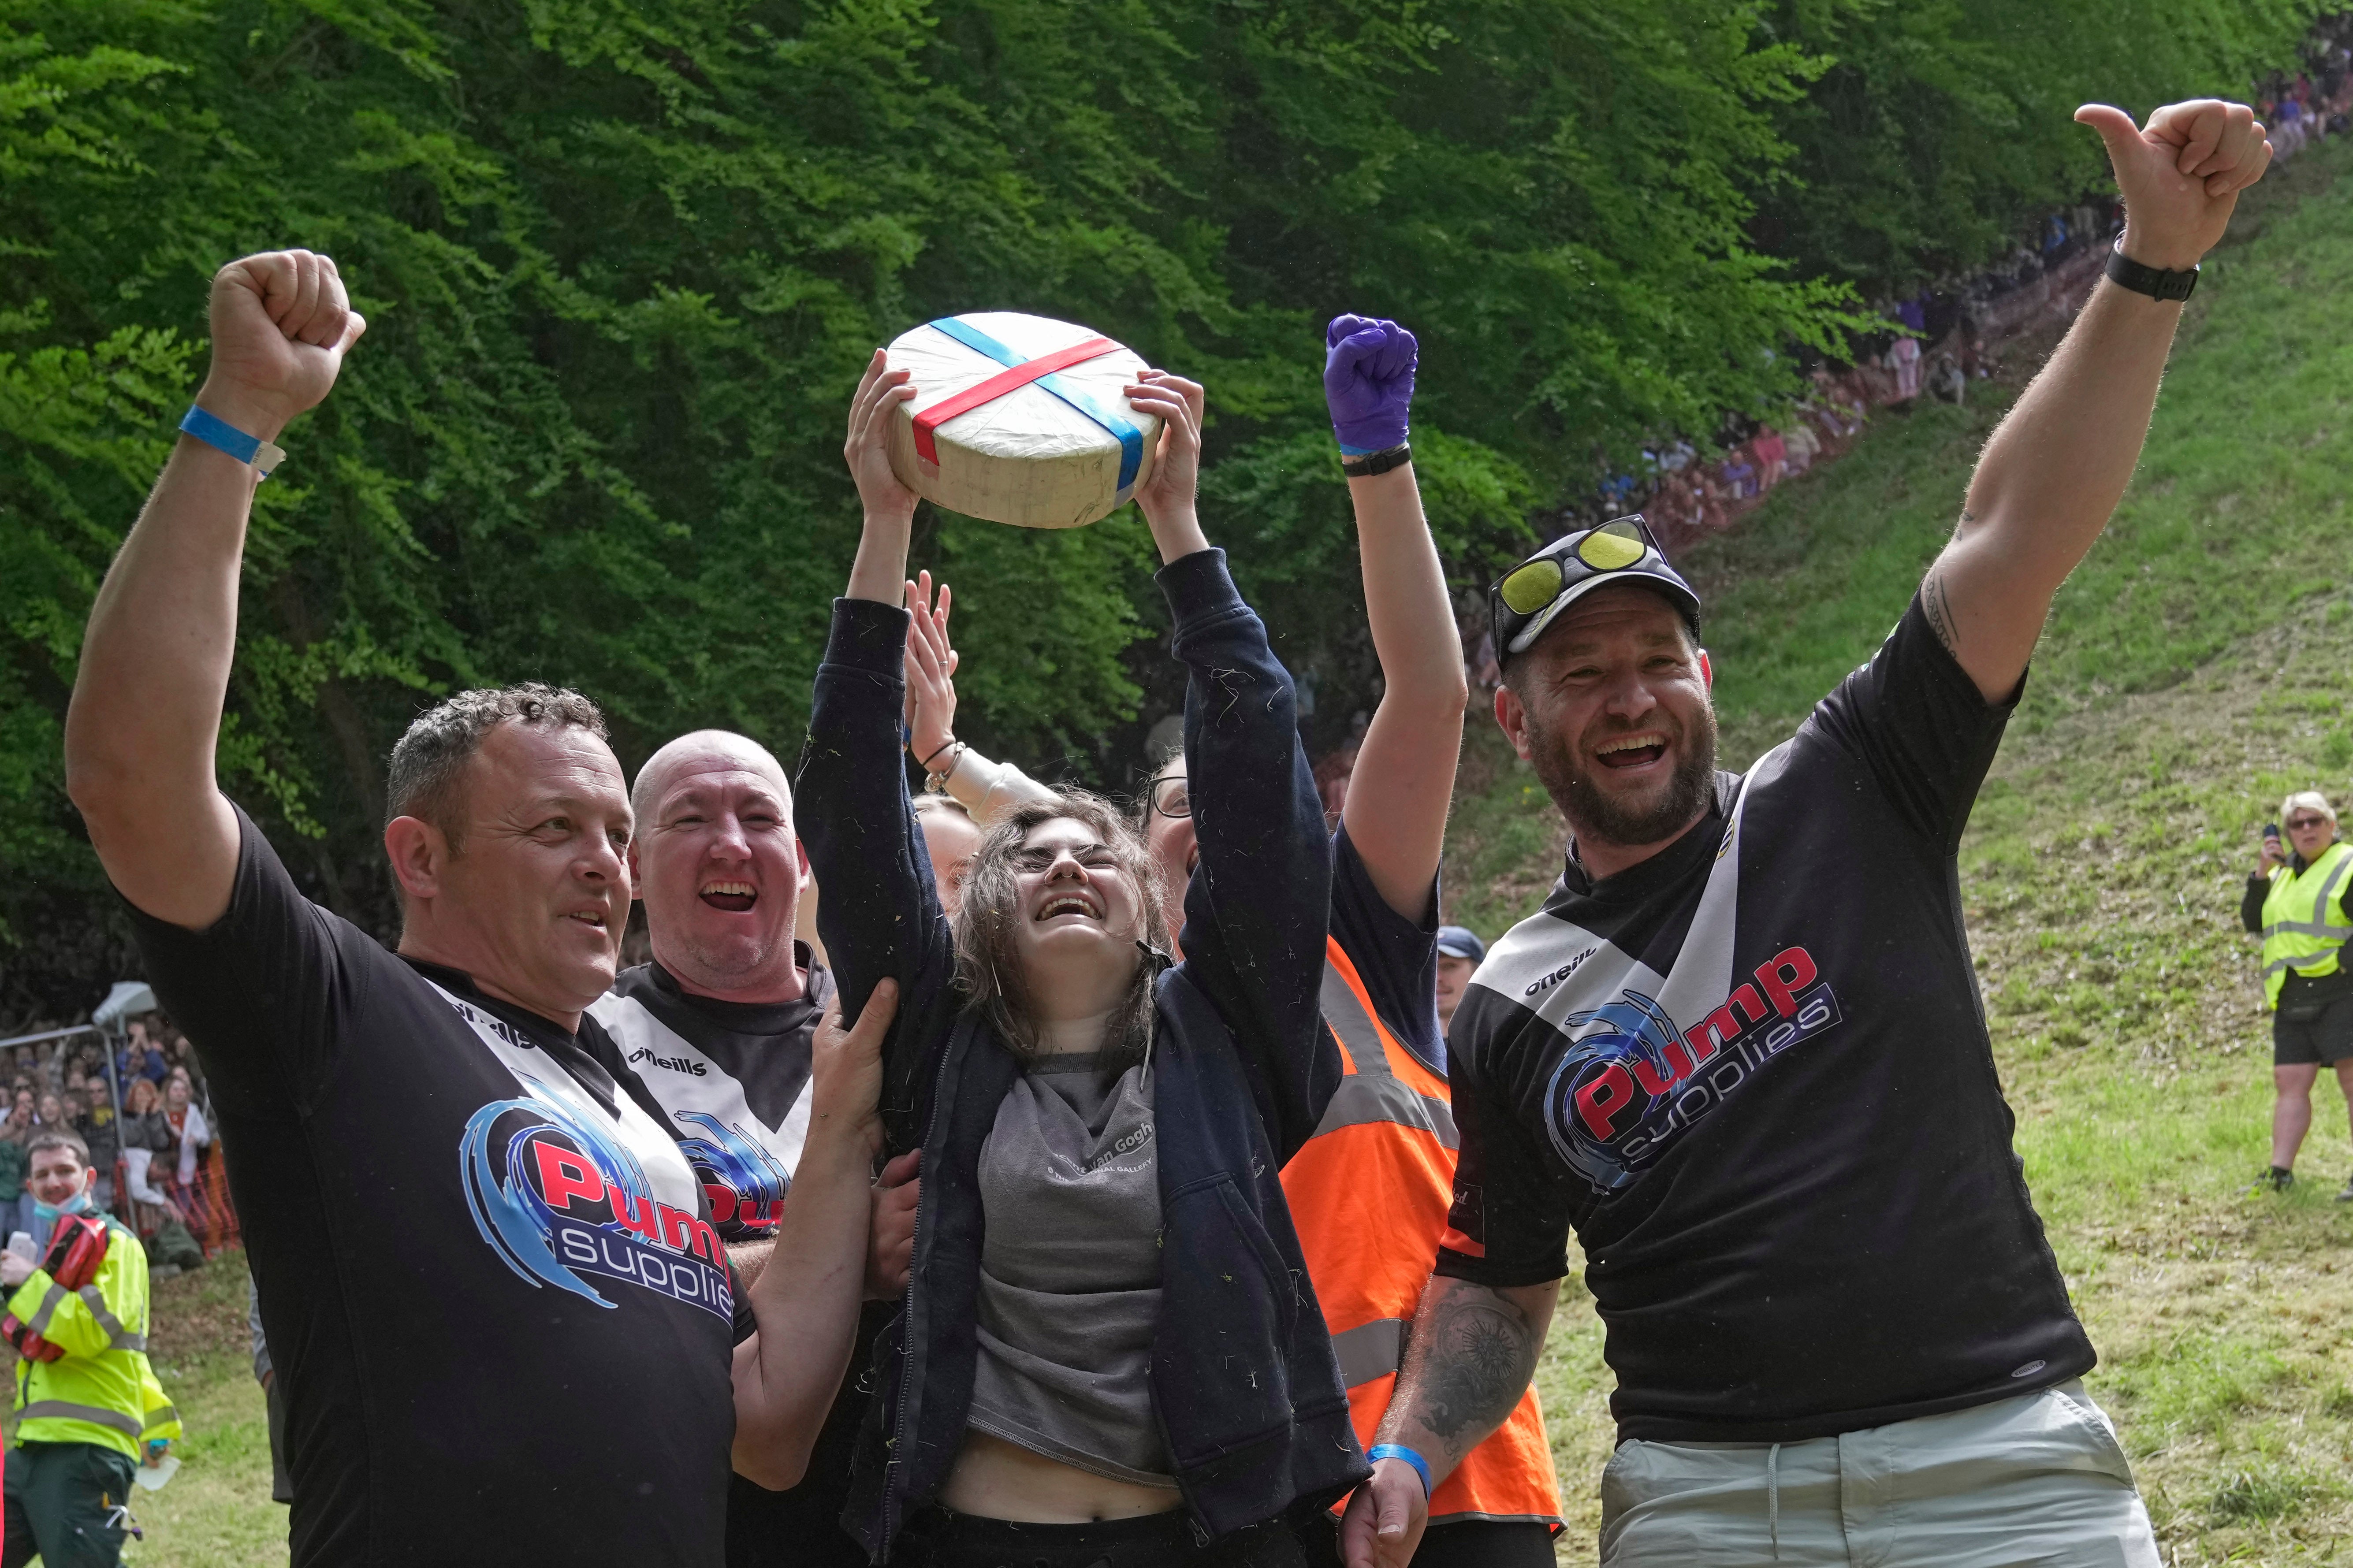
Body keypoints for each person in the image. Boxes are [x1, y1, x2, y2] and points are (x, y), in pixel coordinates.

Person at [1340, 97, 2270, 1568]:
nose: (1625, 695)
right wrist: (1407, 1441)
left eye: (1654, 658)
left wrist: (2148, 269)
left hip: (2000, 1468)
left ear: (1703, 680)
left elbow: (2005, 529)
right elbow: (1493, 1280)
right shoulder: (1508, 995)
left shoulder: (1849, 786)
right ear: (1513, 730)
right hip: (1707, 1507)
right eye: (1577, 675)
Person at [61, 247, 887, 1564]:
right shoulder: (342, 1010)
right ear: (421, 858)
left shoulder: (636, 1110)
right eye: (555, 829)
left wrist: (845, 1130)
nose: (606, 866)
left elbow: (771, 1418)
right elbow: (131, 778)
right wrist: (238, 423)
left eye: (617, 832)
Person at [897, 317, 1563, 1565]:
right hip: (1254, 1498)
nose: (1207, 821)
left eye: (1232, 802)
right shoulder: (1137, 1033)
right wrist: (944, 761)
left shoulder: (1353, 934)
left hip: (1457, 1478)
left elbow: (1427, 691)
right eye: (1170, 814)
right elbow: (1063, 842)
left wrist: (1379, 463)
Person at [801, 351, 1360, 1566]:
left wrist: (1179, 524)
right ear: (983, 911)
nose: (1064, 863)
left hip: (1214, 1536)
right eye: (1033, 852)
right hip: (984, 1539)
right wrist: (884, 526)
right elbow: (850, 810)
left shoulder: (1224, 1027)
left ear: (1159, 907)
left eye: (1098, 853)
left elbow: (1261, 777)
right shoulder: (939, 1050)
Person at [587, 727, 921, 1568]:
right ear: (631, 861)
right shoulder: (581, 1049)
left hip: (909, 1516)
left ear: (801, 858)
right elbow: (612, 1278)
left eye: (758, 816)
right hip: (699, 1522)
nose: (729, 841)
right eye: (690, 816)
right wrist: (847, 1250)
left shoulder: (891, 1039)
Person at [1, 1128, 181, 1568]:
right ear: (30, 1188)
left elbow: (87, 1331)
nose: (54, 1181)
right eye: (42, 1174)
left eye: (65, 1170)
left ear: (89, 1178)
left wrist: (28, 1281)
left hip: (87, 1452)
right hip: (32, 1449)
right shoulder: (58, 1251)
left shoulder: (117, 1244)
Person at [2240, 790, 2353, 1195]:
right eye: (2297, 824)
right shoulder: (2281, 873)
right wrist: (2261, 873)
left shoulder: (2348, 864)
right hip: (2293, 993)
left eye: (2314, 821)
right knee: (2289, 1080)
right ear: (2285, 832)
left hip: (2343, 988)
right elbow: (2254, 922)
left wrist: (2346, 962)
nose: (2306, 829)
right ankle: (2280, 1173)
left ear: (2331, 824)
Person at [1432, 929, 1484, 1037]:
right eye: (1428, 969)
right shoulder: (1402, 1045)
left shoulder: (1500, 1043)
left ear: (1478, 972)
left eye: (1448, 966)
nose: (1437, 978)